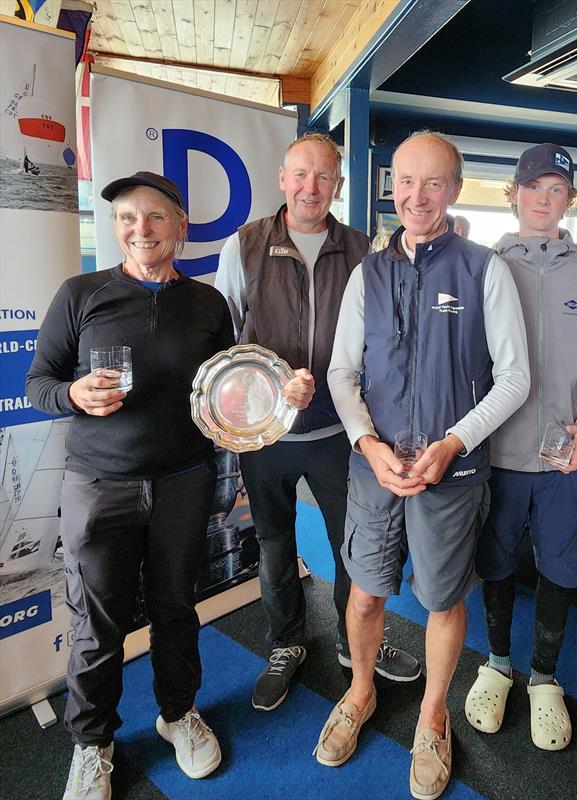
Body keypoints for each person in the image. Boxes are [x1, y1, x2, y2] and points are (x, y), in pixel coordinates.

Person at [25, 172, 287, 800]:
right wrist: (73, 394)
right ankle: (93, 745)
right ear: (115, 228)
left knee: (175, 609)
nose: (140, 230)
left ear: (180, 227)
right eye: (126, 219)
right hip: (98, 486)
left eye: (154, 217)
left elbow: (235, 385)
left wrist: (280, 394)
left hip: (181, 480)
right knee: (97, 623)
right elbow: (39, 385)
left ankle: (178, 715)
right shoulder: (80, 293)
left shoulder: (206, 304)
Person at [315, 131, 530, 800]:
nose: (416, 195)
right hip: (374, 469)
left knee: (442, 598)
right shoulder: (367, 274)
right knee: (368, 590)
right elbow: (342, 372)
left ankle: (434, 713)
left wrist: (453, 444)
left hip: (453, 473)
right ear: (392, 188)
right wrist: (366, 444)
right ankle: (360, 691)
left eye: (432, 183)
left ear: (455, 190)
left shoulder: (484, 270)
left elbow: (515, 378)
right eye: (405, 181)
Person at [215, 133, 420, 715]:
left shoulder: (363, 251)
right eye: (300, 175)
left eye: (323, 177)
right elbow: (225, 343)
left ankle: (360, 648)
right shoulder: (246, 245)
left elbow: (387, 339)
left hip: (342, 434)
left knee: (350, 548)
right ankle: (286, 643)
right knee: (275, 543)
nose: (311, 187)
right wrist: (264, 390)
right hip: (266, 435)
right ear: (282, 178)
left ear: (337, 184)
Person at [464, 144, 577, 750]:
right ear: (513, 193)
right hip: (494, 453)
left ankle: (545, 677)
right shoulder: (479, 266)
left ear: (571, 200)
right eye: (534, 188)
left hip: (565, 459)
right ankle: (498, 662)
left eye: (557, 190)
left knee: (562, 566)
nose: (544, 200)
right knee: (496, 563)